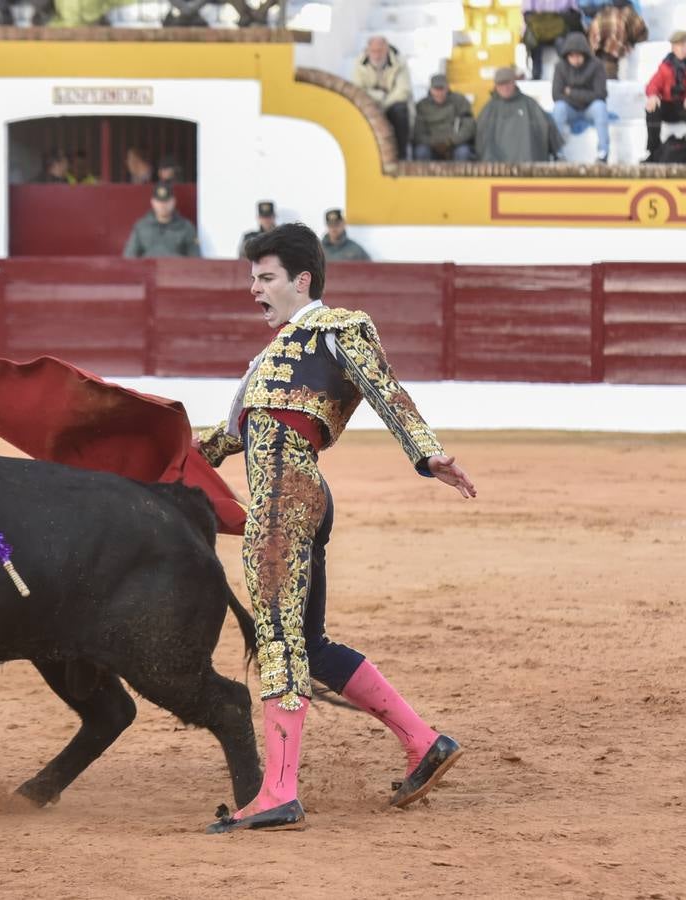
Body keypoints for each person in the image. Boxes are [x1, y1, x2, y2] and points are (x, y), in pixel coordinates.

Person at [200, 222, 474, 834]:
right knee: (310, 645)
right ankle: (423, 742)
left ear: (302, 280)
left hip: (285, 496)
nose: (254, 289)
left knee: (277, 638)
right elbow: (231, 437)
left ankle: (278, 791)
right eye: (252, 277)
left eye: (265, 277)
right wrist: (174, 454)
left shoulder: (338, 326)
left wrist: (428, 454)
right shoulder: (268, 358)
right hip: (290, 492)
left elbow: (387, 391)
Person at [477, 66, 563, 162]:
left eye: (508, 83)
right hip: (496, 169)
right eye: (501, 84)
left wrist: (556, 152)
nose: (505, 88)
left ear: (514, 82)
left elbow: (546, 126)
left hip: (529, 165)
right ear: (496, 86)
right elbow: (481, 137)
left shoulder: (529, 104)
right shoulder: (489, 109)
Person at [644, 30, 686, 163]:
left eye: (684, 45)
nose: (681, 49)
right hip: (673, 105)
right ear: (673, 48)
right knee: (652, 108)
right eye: (677, 46)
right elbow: (654, 83)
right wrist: (653, 95)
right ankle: (653, 152)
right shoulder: (666, 64)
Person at [352, 36, 412, 160]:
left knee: (400, 110)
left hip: (392, 104)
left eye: (380, 51)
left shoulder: (399, 62)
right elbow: (358, 90)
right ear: (368, 51)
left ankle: (401, 157)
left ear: (387, 49)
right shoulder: (359, 65)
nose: (377, 55)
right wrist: (378, 97)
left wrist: (384, 103)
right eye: (373, 51)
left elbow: (403, 90)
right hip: (370, 105)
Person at [552, 33, 609, 163]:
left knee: (600, 107)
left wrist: (571, 92)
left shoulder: (597, 65)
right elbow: (556, 95)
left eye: (578, 55)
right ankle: (557, 153)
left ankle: (603, 153)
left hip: (590, 109)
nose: (575, 59)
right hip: (570, 109)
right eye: (572, 56)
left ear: (584, 54)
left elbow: (601, 94)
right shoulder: (560, 67)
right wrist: (586, 95)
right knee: (559, 108)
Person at [123, 181, 200, 258]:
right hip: (149, 270)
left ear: (173, 201)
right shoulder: (141, 227)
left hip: (176, 269)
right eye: (159, 201)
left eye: (166, 201)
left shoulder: (186, 227)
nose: (163, 205)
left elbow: (195, 260)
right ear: (153, 202)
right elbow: (129, 257)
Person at [412, 73, 476, 161]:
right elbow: (418, 133)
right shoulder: (421, 106)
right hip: (431, 147)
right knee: (421, 152)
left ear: (447, 88)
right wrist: (434, 143)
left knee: (463, 152)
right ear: (430, 90)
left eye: (441, 89)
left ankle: (459, 175)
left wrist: (451, 141)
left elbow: (469, 126)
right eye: (436, 89)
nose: (439, 93)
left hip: (455, 144)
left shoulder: (459, 101)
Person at [521, 0, 582, 79]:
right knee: (533, 43)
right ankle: (536, 75)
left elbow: (574, 11)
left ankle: (570, 74)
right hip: (538, 30)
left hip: (558, 29)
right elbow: (527, 13)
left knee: (562, 44)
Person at [586, 0, 648, 79]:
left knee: (602, 61)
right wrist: (631, 44)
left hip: (598, 43)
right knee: (609, 64)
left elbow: (592, 30)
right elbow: (642, 32)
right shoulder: (630, 13)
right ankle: (609, 79)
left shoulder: (604, 11)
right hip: (614, 47)